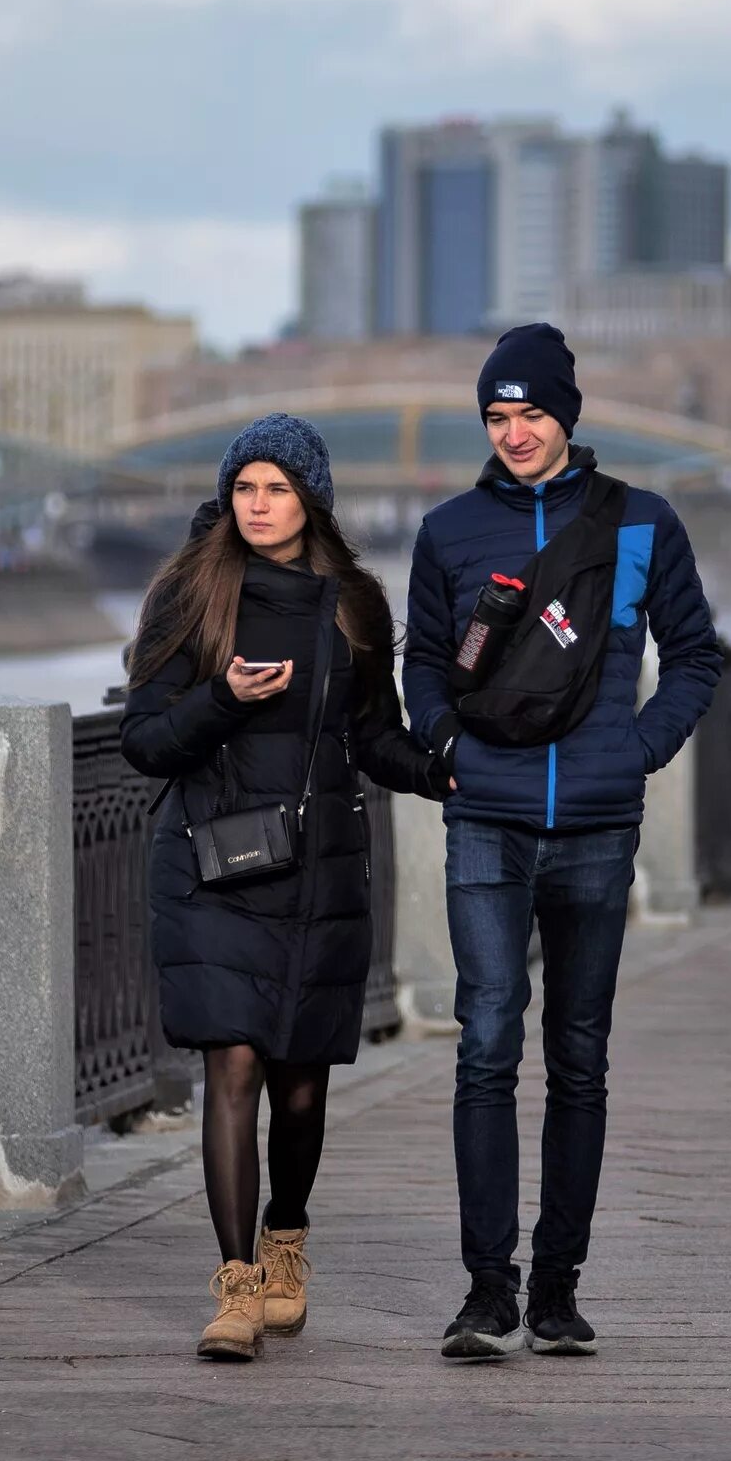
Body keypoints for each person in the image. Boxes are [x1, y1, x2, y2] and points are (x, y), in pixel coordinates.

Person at [402, 324, 723, 1360]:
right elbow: (419, 661)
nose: (515, 434)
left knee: (578, 1055)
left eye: (531, 412)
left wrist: (638, 748)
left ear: (568, 414)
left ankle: (557, 1288)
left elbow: (697, 657)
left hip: (594, 823)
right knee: (488, 1040)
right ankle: (486, 1290)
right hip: (486, 816)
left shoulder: (641, 523)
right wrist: (443, 737)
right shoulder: (449, 531)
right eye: (496, 417)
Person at [122, 414, 450, 1361]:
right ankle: (233, 1286)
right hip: (215, 865)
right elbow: (145, 740)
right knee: (231, 1066)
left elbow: (375, 738)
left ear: (312, 497)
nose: (258, 506)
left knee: (300, 1090)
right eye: (245, 488)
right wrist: (225, 695)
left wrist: (441, 768)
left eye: (277, 488)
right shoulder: (191, 595)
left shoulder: (352, 603)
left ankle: (286, 1242)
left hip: (318, 872)